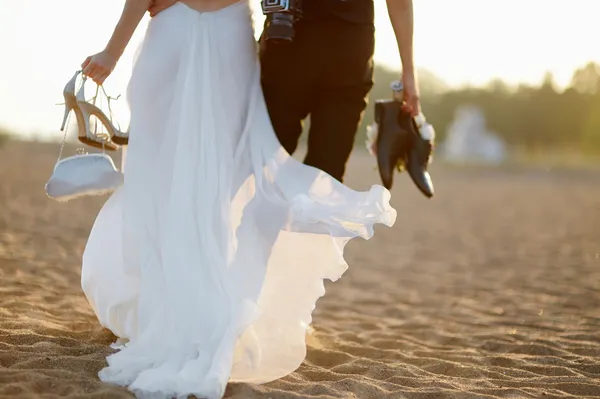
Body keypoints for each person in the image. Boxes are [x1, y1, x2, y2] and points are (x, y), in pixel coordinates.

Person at [79, 0, 396, 398]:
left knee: (198, 176)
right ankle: (200, 300)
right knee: (202, 177)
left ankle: (203, 300)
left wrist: (115, 49)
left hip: (214, 28)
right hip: (219, 27)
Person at [148, 0, 421, 182]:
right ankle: (267, 258)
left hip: (305, 55)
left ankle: (263, 258)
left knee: (269, 173)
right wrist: (408, 71)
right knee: (316, 176)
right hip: (324, 57)